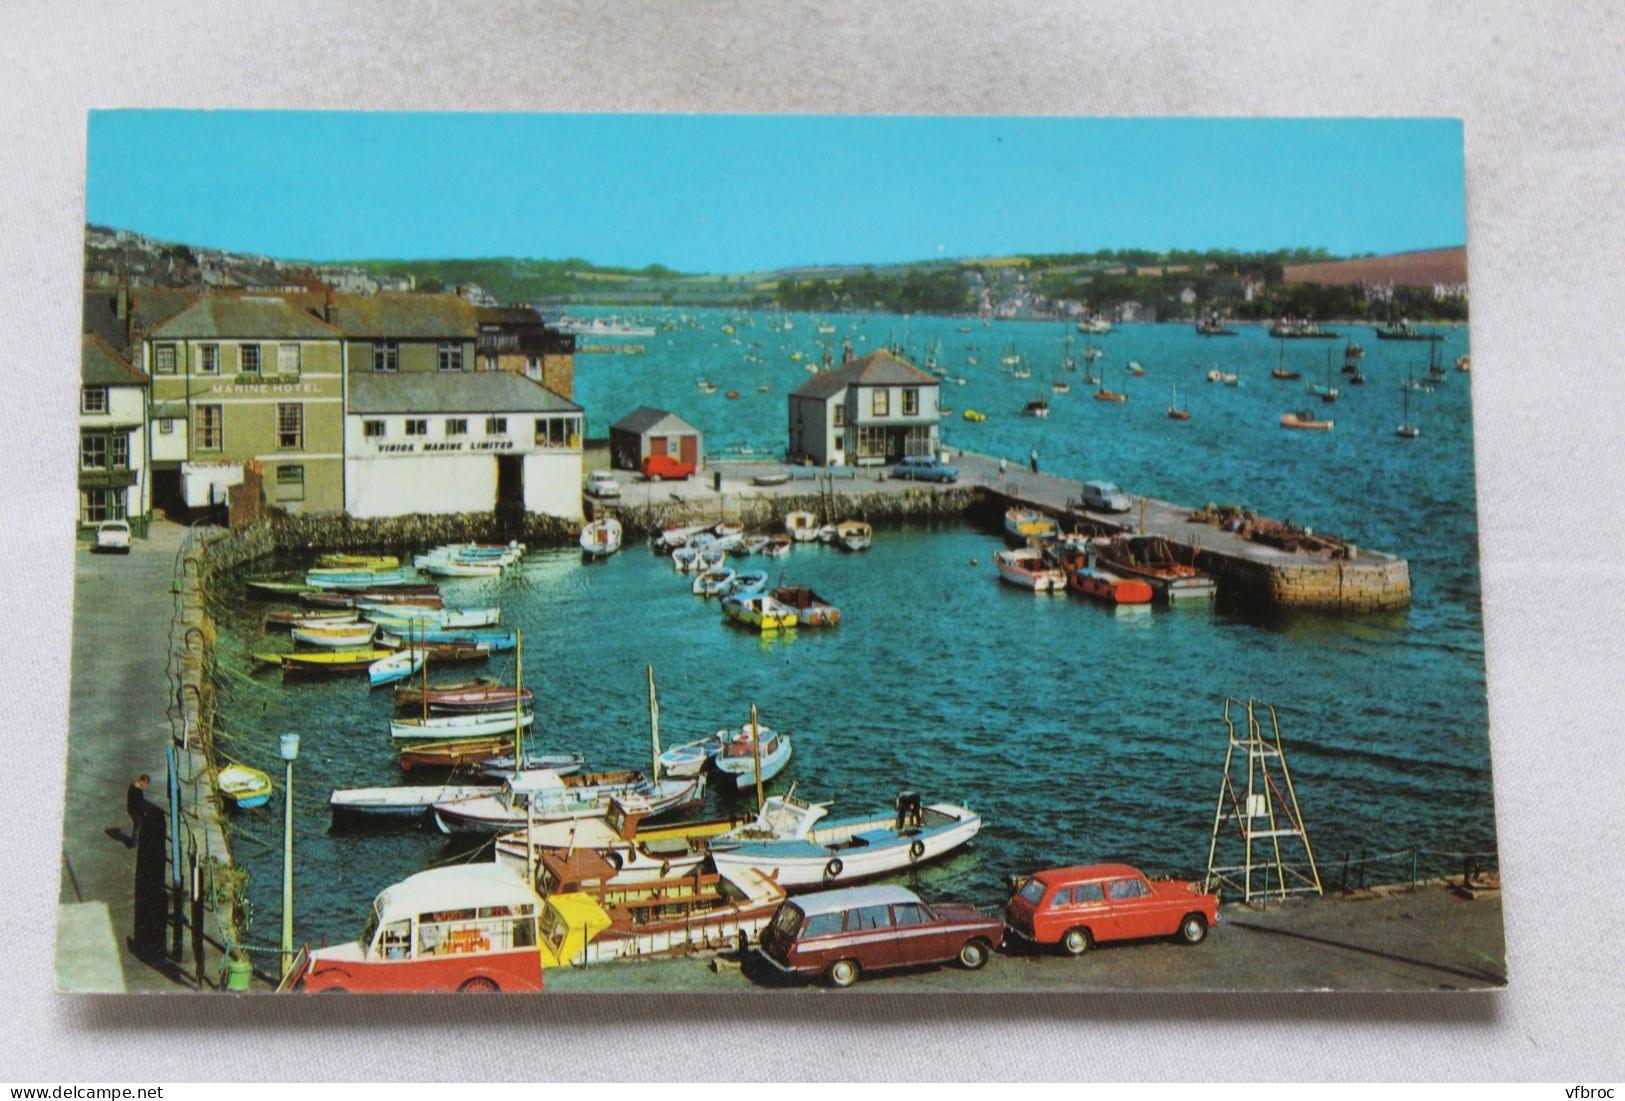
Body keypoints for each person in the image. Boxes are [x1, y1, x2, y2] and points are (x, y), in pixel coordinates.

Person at [126, 774, 151, 848]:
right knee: (138, 826)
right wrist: (144, 811)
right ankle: (134, 843)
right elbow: (139, 803)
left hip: (132, 809)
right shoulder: (137, 790)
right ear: (142, 781)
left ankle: (135, 841)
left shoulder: (132, 786)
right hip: (135, 811)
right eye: (146, 783)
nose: (145, 786)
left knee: (137, 825)